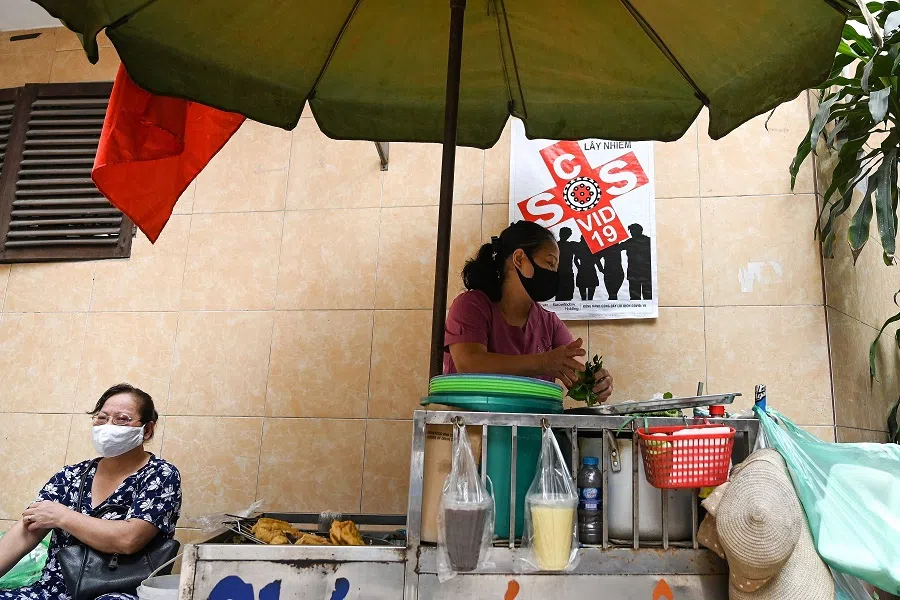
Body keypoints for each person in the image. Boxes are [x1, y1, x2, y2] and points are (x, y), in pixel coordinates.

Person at [0, 384, 182, 600]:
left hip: (120, 593)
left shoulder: (160, 475)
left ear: (148, 429)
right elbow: (27, 529)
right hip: (54, 591)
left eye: (122, 419)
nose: (108, 426)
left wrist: (62, 516)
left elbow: (129, 540)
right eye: (102, 417)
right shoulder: (72, 475)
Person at [445, 220, 613, 395]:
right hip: (471, 421)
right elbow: (469, 363)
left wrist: (596, 383)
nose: (554, 275)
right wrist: (542, 363)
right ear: (519, 259)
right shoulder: (472, 305)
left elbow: (575, 373)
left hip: (530, 421)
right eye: (549, 263)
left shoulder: (550, 323)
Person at [622, 223, 652, 300]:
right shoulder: (648, 241)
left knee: (635, 298)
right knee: (648, 296)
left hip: (634, 273)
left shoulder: (630, 242)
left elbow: (617, 248)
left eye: (631, 231)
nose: (631, 233)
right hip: (646, 272)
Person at [554, 227, 578, 301]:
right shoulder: (571, 245)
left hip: (560, 273)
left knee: (561, 295)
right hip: (566, 273)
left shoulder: (556, 245)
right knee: (567, 295)